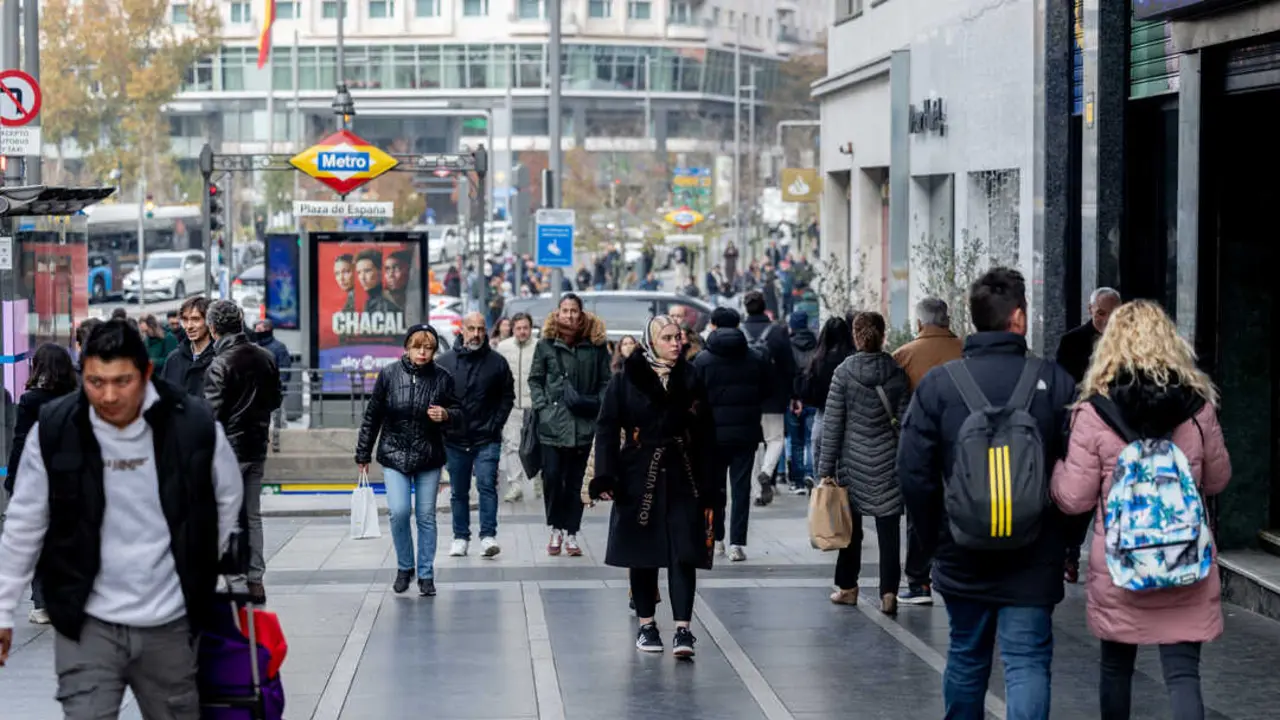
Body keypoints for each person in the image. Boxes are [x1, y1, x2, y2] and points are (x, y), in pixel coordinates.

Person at [0, 319, 243, 718]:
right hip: (86, 621)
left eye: (122, 382)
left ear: (146, 373)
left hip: (169, 620)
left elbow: (226, 498)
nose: (109, 395)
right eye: (96, 382)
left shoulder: (191, 423)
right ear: (84, 372)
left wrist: (196, 561)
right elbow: (25, 521)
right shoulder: (57, 428)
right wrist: (4, 607)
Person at [897, 267, 1076, 720]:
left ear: (974, 319)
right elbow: (1077, 473)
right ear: (1018, 318)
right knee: (1028, 661)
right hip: (1034, 553)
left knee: (966, 655)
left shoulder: (940, 384)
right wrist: (1065, 540)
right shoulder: (1055, 382)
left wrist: (935, 536)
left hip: (961, 550)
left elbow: (913, 472)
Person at [1050, 300, 1231, 720]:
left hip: (1121, 563)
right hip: (1185, 558)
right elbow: (1218, 480)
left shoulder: (1093, 412)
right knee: (1184, 674)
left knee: (1116, 669)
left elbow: (1075, 498)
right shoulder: (1198, 408)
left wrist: (1056, 470)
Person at [589, 315, 717, 658]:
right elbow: (606, 429)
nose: (677, 343)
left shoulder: (691, 377)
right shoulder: (625, 379)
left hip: (682, 472)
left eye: (679, 337)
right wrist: (605, 476)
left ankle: (683, 630)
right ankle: (647, 624)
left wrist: (710, 486)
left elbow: (706, 434)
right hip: (638, 473)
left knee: (683, 553)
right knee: (642, 554)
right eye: (668, 337)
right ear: (651, 342)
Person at [356, 324, 462, 597]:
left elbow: (460, 411)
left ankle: (425, 573)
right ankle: (405, 567)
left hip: (429, 454)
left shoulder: (443, 377)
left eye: (429, 348)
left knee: (426, 516)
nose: (423, 353)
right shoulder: (389, 374)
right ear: (407, 347)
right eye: (418, 347)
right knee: (399, 512)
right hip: (394, 452)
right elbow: (373, 415)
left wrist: (447, 415)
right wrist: (363, 453)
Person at [818, 311, 911, 614]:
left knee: (850, 531)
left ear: (856, 336)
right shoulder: (896, 371)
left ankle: (848, 588)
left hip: (852, 463)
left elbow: (833, 425)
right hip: (888, 461)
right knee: (888, 531)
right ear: (883, 336)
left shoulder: (844, 373)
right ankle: (889, 593)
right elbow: (905, 421)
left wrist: (825, 470)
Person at [203, 301, 282, 604]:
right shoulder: (266, 356)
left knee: (227, 517)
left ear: (213, 328)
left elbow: (211, 414)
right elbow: (274, 399)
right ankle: (255, 580)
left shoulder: (219, 364)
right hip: (256, 445)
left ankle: (235, 581)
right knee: (253, 515)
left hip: (227, 451)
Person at [891, 297, 965, 606]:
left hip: (920, 446)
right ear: (947, 319)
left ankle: (919, 582)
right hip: (965, 444)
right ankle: (958, 574)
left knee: (919, 511)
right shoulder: (966, 350)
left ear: (919, 323)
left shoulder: (904, 355)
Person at [528, 294, 611, 556]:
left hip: (583, 424)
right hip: (552, 425)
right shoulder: (545, 345)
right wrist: (543, 408)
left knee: (576, 482)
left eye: (574, 310)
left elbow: (606, 382)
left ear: (582, 313)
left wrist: (595, 403)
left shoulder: (596, 346)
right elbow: (535, 379)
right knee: (552, 478)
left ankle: (572, 533)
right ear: (557, 313)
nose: (570, 315)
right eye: (565, 310)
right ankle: (555, 528)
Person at [4, 343, 78, 625]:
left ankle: (42, 603)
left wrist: (12, 478)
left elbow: (21, 440)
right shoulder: (76, 397)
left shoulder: (31, 400)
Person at [1053, 287, 1122, 584]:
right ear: (1090, 311)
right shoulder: (1072, 341)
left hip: (1119, 427)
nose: (1107, 320)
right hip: (1083, 424)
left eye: (1112, 313)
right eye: (1101, 313)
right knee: (1082, 493)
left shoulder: (1129, 342)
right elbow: (1063, 384)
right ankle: (1070, 553)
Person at [436, 312, 515, 558]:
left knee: (486, 486)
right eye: (471, 328)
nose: (476, 334)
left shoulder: (497, 363)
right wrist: (445, 423)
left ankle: (488, 536)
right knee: (459, 491)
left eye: (481, 328)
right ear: (462, 330)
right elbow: (436, 397)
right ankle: (460, 537)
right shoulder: (445, 362)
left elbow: (507, 397)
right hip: (455, 438)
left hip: (486, 438)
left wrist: (495, 425)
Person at [694, 307, 769, 562]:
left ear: (713, 325)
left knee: (714, 488)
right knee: (741, 488)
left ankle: (716, 539)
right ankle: (737, 543)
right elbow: (766, 391)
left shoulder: (702, 360)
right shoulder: (755, 358)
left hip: (711, 435)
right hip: (746, 432)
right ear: (738, 326)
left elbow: (694, 397)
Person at [741, 290, 793, 506]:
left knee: (752, 445)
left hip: (746, 397)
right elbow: (789, 365)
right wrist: (793, 394)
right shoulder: (777, 332)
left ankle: (756, 492)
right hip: (773, 396)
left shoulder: (740, 332)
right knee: (775, 440)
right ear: (765, 307)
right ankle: (767, 471)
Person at [800, 316, 854, 468]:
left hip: (823, 413)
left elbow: (809, 391)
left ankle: (821, 488)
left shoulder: (818, 360)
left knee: (820, 459)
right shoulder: (852, 359)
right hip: (849, 415)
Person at [497, 312, 538, 503]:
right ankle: (515, 485)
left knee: (536, 444)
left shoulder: (539, 347)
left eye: (525, 328)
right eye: (519, 328)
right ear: (513, 329)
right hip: (511, 405)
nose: (522, 331)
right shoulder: (503, 348)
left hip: (534, 405)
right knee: (512, 445)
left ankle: (538, 481)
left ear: (531, 328)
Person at [787, 310, 818, 494]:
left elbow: (788, 373)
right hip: (812, 397)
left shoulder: (789, 345)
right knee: (809, 439)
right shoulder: (816, 343)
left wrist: (792, 396)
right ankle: (810, 474)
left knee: (795, 441)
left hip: (794, 397)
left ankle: (797, 482)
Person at [161, 296, 215, 396]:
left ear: (209, 322)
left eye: (195, 319)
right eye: (185, 320)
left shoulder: (221, 359)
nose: (189, 326)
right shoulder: (173, 359)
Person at [254, 318, 293, 450]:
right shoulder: (254, 347)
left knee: (278, 419)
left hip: (273, 390)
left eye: (259, 330)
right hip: (257, 390)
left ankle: (277, 444)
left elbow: (285, 369)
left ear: (267, 330)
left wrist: (278, 387)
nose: (256, 332)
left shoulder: (279, 348)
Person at [355, 248, 398, 314]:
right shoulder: (370, 301)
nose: (362, 277)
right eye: (359, 272)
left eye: (367, 271)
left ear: (380, 271)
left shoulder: (387, 303)